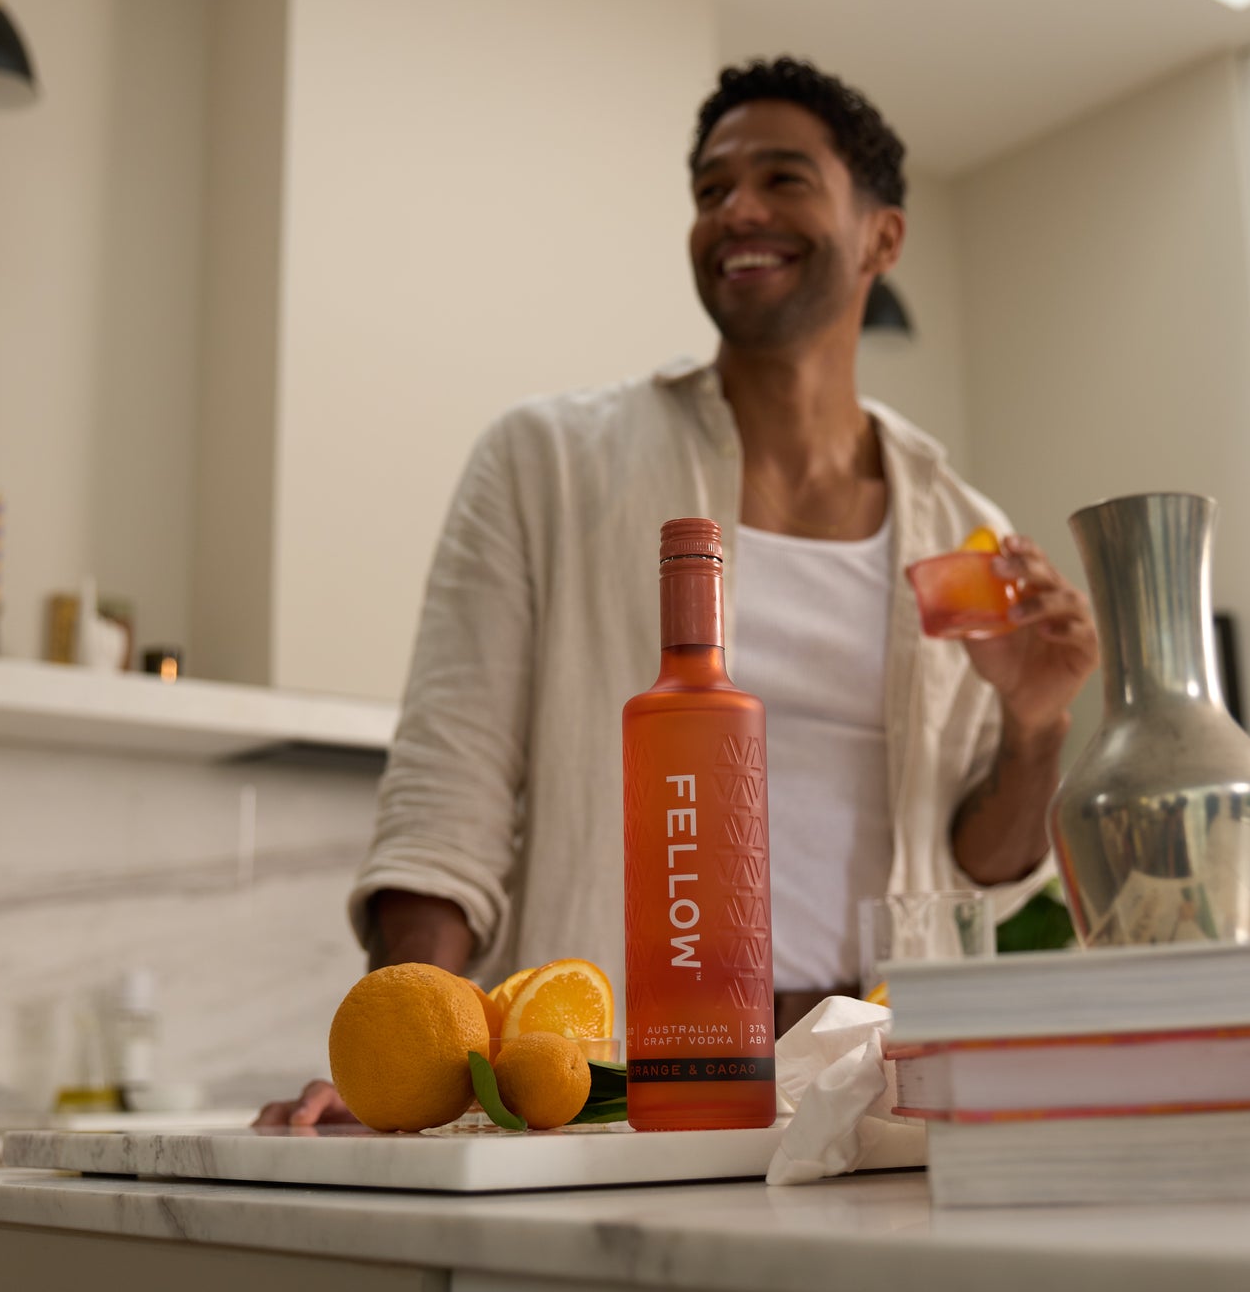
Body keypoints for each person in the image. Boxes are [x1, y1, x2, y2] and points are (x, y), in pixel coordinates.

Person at [257, 57, 1096, 1128]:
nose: (735, 209)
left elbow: (979, 867)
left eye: (782, 178)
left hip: (882, 1092)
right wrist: (407, 1062)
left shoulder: (957, 529)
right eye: (710, 188)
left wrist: (1035, 722)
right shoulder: (545, 464)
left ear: (882, 237)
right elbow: (443, 802)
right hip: (604, 1094)